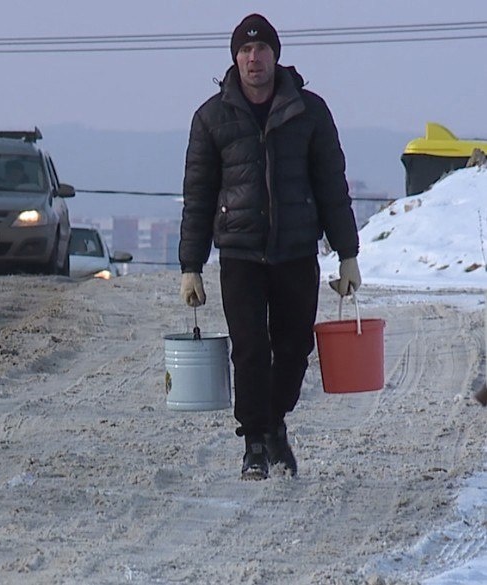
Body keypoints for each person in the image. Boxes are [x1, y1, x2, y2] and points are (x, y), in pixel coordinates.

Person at [178, 13, 361, 480]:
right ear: (234, 59)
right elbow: (198, 196)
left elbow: (332, 186)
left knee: (295, 347)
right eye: (244, 50)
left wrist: (348, 253)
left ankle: (275, 422)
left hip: (296, 249)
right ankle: (255, 442)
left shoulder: (309, 111)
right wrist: (191, 265)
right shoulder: (211, 117)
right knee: (250, 347)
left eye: (261, 50)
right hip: (240, 252)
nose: (253, 58)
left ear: (275, 55)